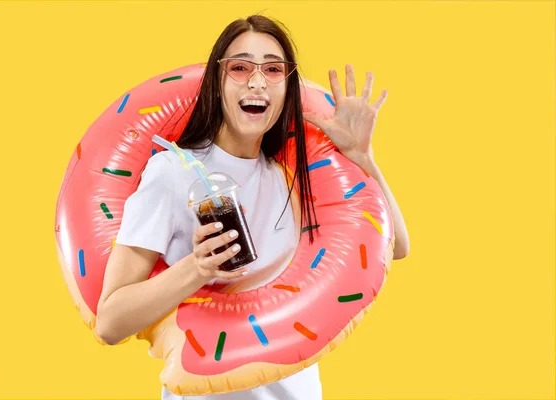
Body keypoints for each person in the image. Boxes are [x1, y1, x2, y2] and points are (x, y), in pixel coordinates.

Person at [95, 14, 410, 400]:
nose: (257, 81)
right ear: (217, 83)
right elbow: (110, 323)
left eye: (273, 69)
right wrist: (197, 268)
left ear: (287, 88)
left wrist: (362, 158)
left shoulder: (290, 177)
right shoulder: (173, 171)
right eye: (240, 67)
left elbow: (395, 245)